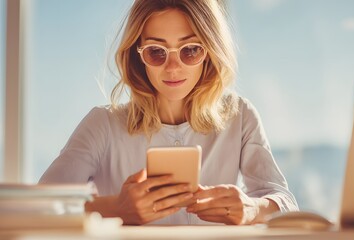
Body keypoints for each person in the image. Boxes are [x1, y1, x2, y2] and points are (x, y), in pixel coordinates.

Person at [39, 0, 298, 225]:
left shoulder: (240, 116)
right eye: (156, 52)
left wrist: (253, 209)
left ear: (209, 52)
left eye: (191, 49)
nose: (173, 68)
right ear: (137, 55)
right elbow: (39, 206)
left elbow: (285, 202)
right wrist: (115, 208)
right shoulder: (102, 124)